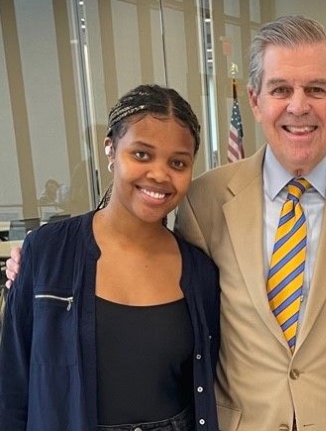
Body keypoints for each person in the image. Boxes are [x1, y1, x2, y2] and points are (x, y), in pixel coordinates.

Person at [5, 16, 326, 431]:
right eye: (280, 89)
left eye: (317, 89)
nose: (298, 107)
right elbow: (139, 246)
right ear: (255, 101)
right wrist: (43, 257)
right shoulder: (205, 198)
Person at [0, 84, 220, 431]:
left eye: (178, 162)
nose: (160, 174)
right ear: (111, 149)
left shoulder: (200, 272)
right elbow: (13, 386)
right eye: (142, 155)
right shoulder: (48, 254)